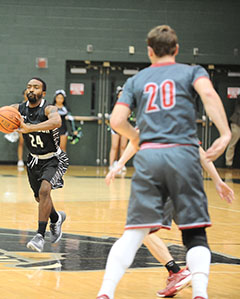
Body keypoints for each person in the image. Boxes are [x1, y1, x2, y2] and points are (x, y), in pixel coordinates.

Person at [96, 25, 231, 299]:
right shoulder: (193, 71)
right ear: (177, 49)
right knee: (194, 235)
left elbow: (117, 121)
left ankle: (106, 292)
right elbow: (207, 95)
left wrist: (138, 138)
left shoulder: (137, 80)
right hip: (184, 154)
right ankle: (200, 294)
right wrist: (225, 133)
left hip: (149, 156)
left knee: (134, 233)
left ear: (149, 51)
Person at [106, 140, 235, 297]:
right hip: (191, 180)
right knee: (194, 234)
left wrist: (119, 164)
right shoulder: (182, 120)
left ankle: (175, 272)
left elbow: (133, 138)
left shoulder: (154, 118)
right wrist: (217, 180)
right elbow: (200, 152)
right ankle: (196, 277)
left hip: (168, 178)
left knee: (142, 230)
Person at [0, 77, 69, 252]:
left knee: (45, 191)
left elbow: (57, 122)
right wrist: (2, 125)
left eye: (36, 87)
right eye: (29, 87)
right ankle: (55, 218)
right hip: (33, 159)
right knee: (40, 198)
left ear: (43, 93)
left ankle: (39, 236)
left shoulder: (49, 108)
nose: (31, 90)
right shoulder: (18, 109)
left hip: (53, 158)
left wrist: (30, 128)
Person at [108, 86, 128, 172]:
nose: (121, 96)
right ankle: (111, 164)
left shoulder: (128, 105)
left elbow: (129, 116)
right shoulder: (114, 106)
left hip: (125, 127)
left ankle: (122, 164)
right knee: (114, 146)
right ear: (117, 96)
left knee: (123, 146)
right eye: (120, 94)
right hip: (115, 128)